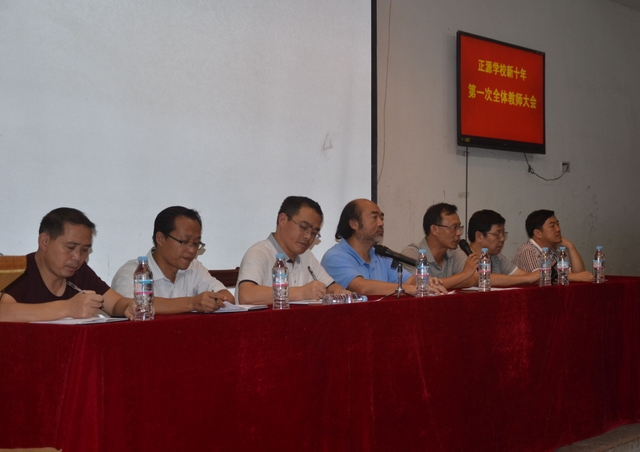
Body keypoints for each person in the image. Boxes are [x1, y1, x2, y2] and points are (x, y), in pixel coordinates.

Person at [0, 207, 132, 322]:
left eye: (84, 250)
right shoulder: (19, 271)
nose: (77, 257)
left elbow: (116, 304)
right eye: (70, 247)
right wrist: (68, 308)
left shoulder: (80, 272)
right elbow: (4, 312)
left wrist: (130, 306)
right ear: (44, 242)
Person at [112, 206, 233, 314]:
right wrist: (192, 303)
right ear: (160, 239)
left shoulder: (194, 268)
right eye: (184, 241)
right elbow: (135, 305)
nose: (192, 250)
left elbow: (227, 297)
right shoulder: (132, 273)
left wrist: (214, 301)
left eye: (196, 243)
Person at [321, 199, 447, 296]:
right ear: (354, 224)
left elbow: (408, 281)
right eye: (374, 217)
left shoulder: (381, 255)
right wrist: (414, 289)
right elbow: (362, 288)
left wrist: (425, 282)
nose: (381, 223)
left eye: (382, 218)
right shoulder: (335, 257)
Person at [237, 196, 348, 305]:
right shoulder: (259, 253)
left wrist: (338, 292)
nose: (308, 237)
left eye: (314, 233)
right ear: (282, 220)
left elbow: (330, 286)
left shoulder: (306, 255)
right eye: (303, 227)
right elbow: (246, 296)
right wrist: (301, 293)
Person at [402, 203, 478, 289]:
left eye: (459, 228)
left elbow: (473, 279)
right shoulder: (412, 254)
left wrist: (444, 283)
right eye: (454, 227)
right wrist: (463, 275)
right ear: (435, 230)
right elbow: (420, 286)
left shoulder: (455, 251)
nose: (459, 233)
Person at [511, 209, 593, 282]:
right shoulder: (528, 250)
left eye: (558, 224)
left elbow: (580, 275)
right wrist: (574, 277)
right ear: (538, 233)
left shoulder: (554, 252)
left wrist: (571, 246)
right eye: (552, 226)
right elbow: (540, 278)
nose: (558, 229)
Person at [466, 210, 539, 286]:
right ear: (479, 236)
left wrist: (539, 274)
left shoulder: (496, 257)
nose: (502, 239)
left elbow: (523, 275)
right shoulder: (463, 256)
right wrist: (527, 278)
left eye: (503, 233)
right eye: (497, 234)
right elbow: (481, 278)